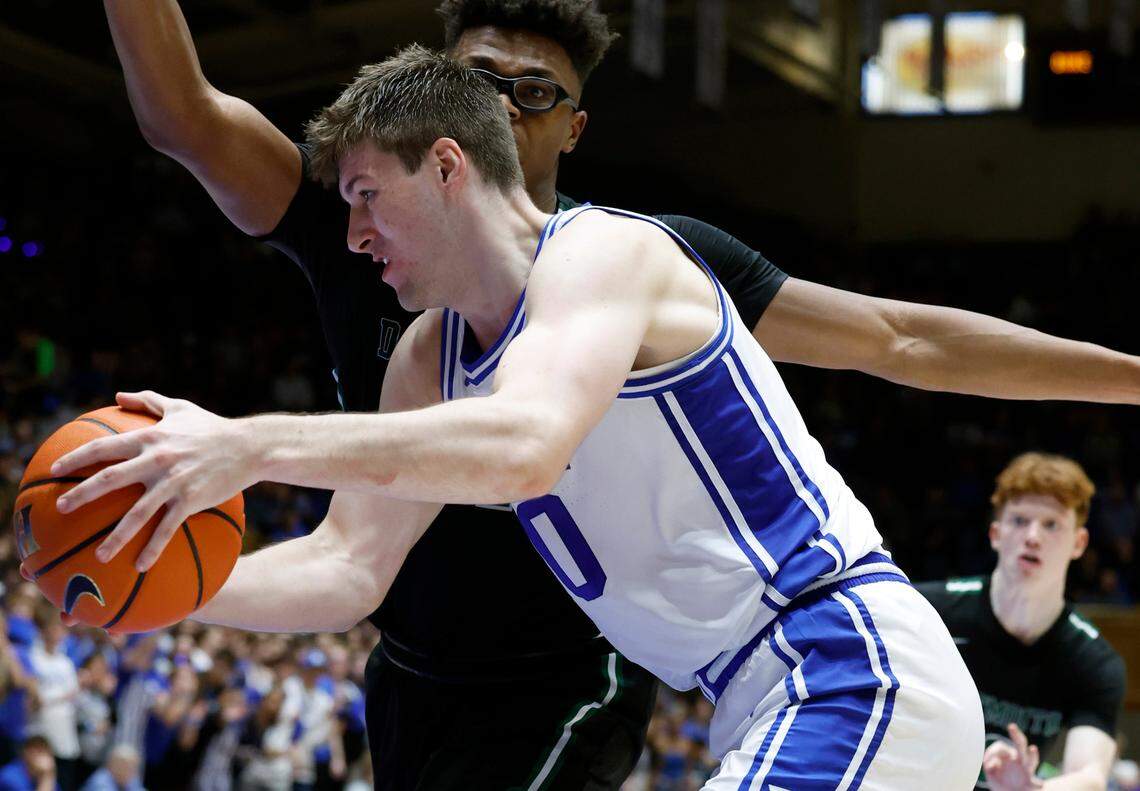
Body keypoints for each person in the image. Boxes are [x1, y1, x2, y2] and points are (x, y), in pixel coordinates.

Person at [97, 1, 1140, 787]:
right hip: (744, 695)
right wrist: (155, 582)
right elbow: (345, 562)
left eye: (368, 196)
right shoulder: (426, 355)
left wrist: (242, 442)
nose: (353, 231)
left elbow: (526, 445)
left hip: (841, 661)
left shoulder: (608, 253)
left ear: (450, 165)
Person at [917, 453, 1126, 790]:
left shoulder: (1095, 662)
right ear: (995, 533)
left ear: (1080, 542)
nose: (1032, 537)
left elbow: (1090, 776)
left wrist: (1037, 790)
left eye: (1051, 524)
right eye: (1018, 521)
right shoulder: (928, 609)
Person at [78, 745, 145, 791]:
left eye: (133, 767)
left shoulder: (131, 779)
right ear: (112, 765)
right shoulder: (100, 779)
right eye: (125, 766)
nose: (130, 771)